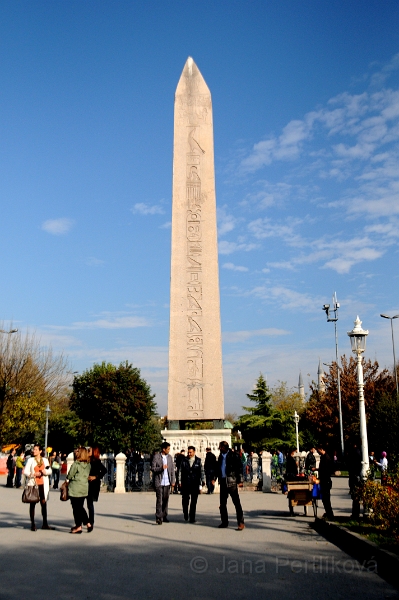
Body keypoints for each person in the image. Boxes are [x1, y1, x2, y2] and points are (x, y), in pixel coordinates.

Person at [212, 441, 245, 530]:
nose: (219, 448)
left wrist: (240, 480)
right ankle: (224, 522)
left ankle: (241, 522)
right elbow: (217, 468)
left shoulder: (233, 455)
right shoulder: (220, 457)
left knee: (237, 503)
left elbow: (239, 468)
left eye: (220, 447)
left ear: (224, 447)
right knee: (222, 504)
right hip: (222, 482)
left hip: (232, 482)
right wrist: (214, 478)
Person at [23, 444, 54, 531]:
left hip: (43, 484)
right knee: (32, 503)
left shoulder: (45, 460)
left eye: (36, 449)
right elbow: (25, 471)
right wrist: (32, 474)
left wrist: (44, 472)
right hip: (34, 484)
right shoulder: (30, 460)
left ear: (40, 451)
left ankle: (45, 524)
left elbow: (49, 470)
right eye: (34, 449)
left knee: (43, 504)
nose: (34, 451)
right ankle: (33, 524)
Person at [66, 446, 92, 534]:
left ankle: (78, 526)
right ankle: (87, 523)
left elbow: (69, 475)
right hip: (84, 488)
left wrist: (70, 477)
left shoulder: (76, 464)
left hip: (75, 488)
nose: (75, 453)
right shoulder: (88, 464)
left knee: (76, 508)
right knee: (81, 507)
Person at [151, 442, 175, 524]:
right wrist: (161, 468)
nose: (169, 450)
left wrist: (173, 481)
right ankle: (158, 517)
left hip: (167, 482)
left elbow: (172, 470)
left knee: (165, 500)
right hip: (159, 482)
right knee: (159, 500)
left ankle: (164, 515)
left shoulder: (170, 458)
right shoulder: (156, 457)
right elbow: (153, 468)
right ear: (163, 449)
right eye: (168, 449)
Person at [179, 446, 204, 523]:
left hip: (195, 482)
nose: (189, 454)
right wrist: (179, 481)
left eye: (191, 452)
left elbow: (202, 472)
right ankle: (185, 513)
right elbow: (180, 471)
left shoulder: (198, 461)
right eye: (188, 452)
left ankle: (192, 517)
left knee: (194, 501)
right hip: (186, 482)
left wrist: (203, 480)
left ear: (194, 452)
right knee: (185, 500)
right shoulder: (184, 460)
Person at [86, 446, 107, 531]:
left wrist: (96, 477)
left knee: (90, 504)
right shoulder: (87, 461)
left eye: (89, 450)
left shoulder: (97, 461)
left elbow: (104, 470)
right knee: (82, 503)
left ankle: (91, 522)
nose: (88, 452)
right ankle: (86, 521)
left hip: (93, 484)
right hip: (86, 483)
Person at [316, 445, 334, 520]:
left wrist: (319, 470)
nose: (317, 452)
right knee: (324, 498)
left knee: (326, 498)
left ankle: (330, 514)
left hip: (326, 480)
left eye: (318, 450)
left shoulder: (326, 458)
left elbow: (325, 470)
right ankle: (328, 512)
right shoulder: (323, 457)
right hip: (324, 480)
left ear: (321, 449)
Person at [347, 443, 362, 519]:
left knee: (356, 497)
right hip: (354, 477)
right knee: (355, 498)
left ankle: (355, 514)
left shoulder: (355, 453)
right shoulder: (357, 452)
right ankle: (355, 513)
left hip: (355, 477)